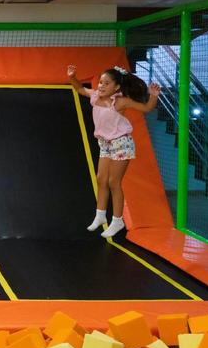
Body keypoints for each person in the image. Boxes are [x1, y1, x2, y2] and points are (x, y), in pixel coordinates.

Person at [68, 64, 161, 238]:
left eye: (107, 83)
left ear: (116, 87)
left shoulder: (120, 101)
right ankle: (100, 215)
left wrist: (153, 95)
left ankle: (117, 220)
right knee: (101, 179)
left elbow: (147, 108)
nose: (101, 86)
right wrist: (72, 76)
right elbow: (80, 88)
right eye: (101, 82)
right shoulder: (95, 96)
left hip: (121, 143)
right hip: (105, 143)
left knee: (113, 182)